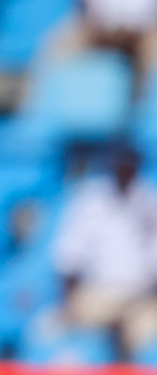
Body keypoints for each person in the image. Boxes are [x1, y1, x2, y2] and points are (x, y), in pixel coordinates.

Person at [52, 145, 157, 359]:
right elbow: (68, 258)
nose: (125, 170)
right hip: (97, 295)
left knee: (146, 338)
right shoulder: (90, 200)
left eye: (130, 165)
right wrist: (69, 305)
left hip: (139, 299)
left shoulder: (149, 201)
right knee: (51, 334)